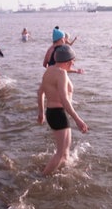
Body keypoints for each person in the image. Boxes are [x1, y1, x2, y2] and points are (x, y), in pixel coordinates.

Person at [37, 44, 88, 175]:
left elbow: (40, 93)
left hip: (51, 113)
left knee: (65, 152)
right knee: (61, 153)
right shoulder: (61, 74)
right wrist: (78, 120)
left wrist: (41, 112)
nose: (73, 63)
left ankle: (63, 173)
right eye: (73, 60)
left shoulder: (49, 71)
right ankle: (40, 178)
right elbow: (65, 100)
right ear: (68, 61)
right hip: (59, 114)